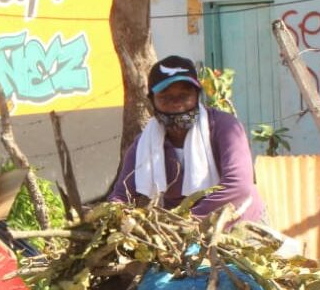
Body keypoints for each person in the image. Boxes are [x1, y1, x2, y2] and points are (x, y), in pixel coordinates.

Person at [108, 55, 265, 223]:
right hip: (180, 234)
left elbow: (238, 187)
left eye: (184, 96)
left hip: (240, 224)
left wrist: (185, 222)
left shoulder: (224, 127)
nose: (177, 104)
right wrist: (111, 215)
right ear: (151, 101)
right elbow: (122, 195)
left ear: (197, 96)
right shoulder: (143, 144)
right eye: (166, 98)